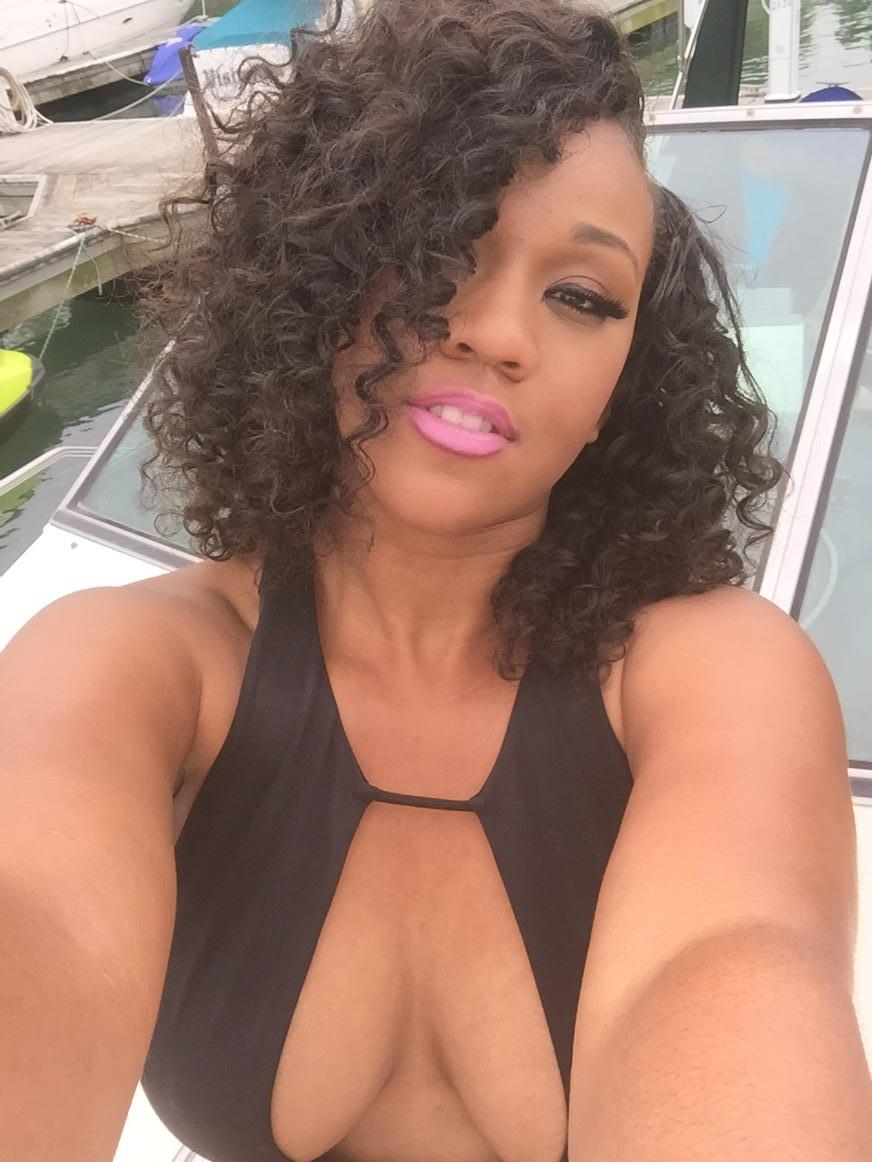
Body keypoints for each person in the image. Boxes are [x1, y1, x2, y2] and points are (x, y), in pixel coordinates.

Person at [1, 2, 870, 1160]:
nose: (500, 332)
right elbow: (34, 908)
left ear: (621, 382)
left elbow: (738, 956)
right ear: (317, 270)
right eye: (443, 248)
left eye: (581, 296)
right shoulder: (126, 665)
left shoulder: (716, 679)